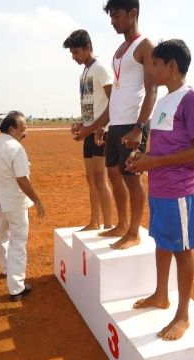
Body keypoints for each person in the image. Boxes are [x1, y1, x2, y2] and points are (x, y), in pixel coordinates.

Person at [127, 40, 194, 341]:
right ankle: (161, 294)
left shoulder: (191, 100)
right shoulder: (163, 102)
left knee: (183, 251)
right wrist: (142, 157)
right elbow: (159, 147)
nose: (152, 70)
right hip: (159, 188)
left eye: (156, 65)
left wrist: (155, 161)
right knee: (162, 242)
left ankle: (183, 315)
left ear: (171, 66)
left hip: (178, 191)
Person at [77, 0, 157, 249]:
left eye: (117, 16)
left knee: (133, 178)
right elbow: (117, 95)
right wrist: (103, 125)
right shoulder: (120, 49)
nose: (113, 21)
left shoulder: (145, 46)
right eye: (111, 17)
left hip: (133, 123)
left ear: (133, 13)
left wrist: (139, 127)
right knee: (114, 173)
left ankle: (133, 232)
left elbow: (152, 90)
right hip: (116, 125)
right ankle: (121, 224)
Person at [0, 111, 45, 302]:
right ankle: (16, 287)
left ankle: (6, 269)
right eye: (23, 129)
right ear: (11, 128)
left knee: (2, 235)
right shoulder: (16, 149)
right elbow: (22, 179)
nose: (25, 132)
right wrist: (37, 200)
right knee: (18, 241)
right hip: (15, 202)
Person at [63, 29, 114, 231]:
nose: (74, 57)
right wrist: (82, 125)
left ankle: (109, 224)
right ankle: (94, 222)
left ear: (88, 48)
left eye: (76, 52)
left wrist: (93, 128)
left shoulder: (101, 68)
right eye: (72, 53)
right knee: (91, 179)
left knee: (101, 179)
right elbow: (93, 105)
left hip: (102, 133)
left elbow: (114, 103)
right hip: (89, 132)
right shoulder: (84, 72)